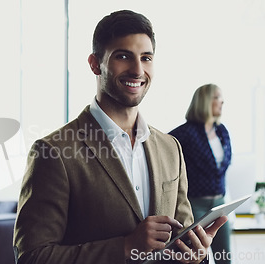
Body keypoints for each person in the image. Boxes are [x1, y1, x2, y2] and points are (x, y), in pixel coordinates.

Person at [13, 10, 227, 263]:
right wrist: (125, 247)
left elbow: (181, 239)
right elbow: (32, 257)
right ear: (95, 63)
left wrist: (196, 255)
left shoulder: (170, 148)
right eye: (123, 56)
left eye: (146, 58)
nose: (137, 70)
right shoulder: (53, 151)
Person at [169, 84, 232, 264]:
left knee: (224, 257)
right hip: (195, 204)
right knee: (196, 256)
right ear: (205, 101)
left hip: (220, 203)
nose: (222, 102)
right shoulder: (185, 133)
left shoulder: (222, 131)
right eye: (217, 97)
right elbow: (163, 151)